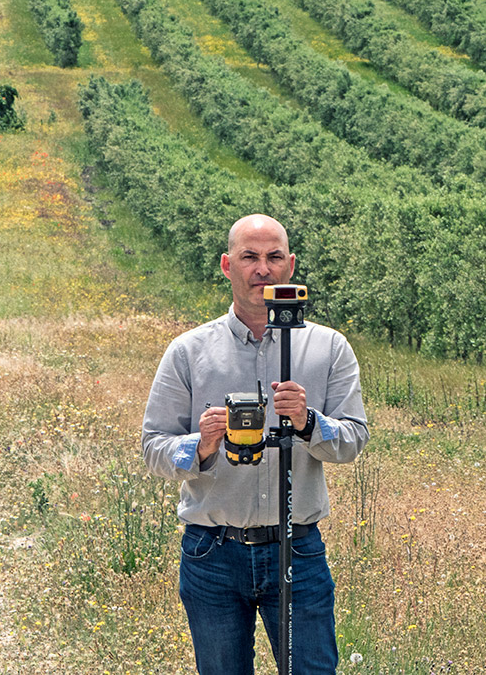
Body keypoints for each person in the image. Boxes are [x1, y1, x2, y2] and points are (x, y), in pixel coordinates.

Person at [142, 214, 369, 675]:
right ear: (227, 265)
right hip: (213, 554)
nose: (262, 268)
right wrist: (202, 446)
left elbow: (354, 440)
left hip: (298, 549)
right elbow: (153, 448)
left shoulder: (329, 348)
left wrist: (308, 423)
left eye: (274, 257)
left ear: (290, 266)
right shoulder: (188, 351)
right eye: (249, 257)